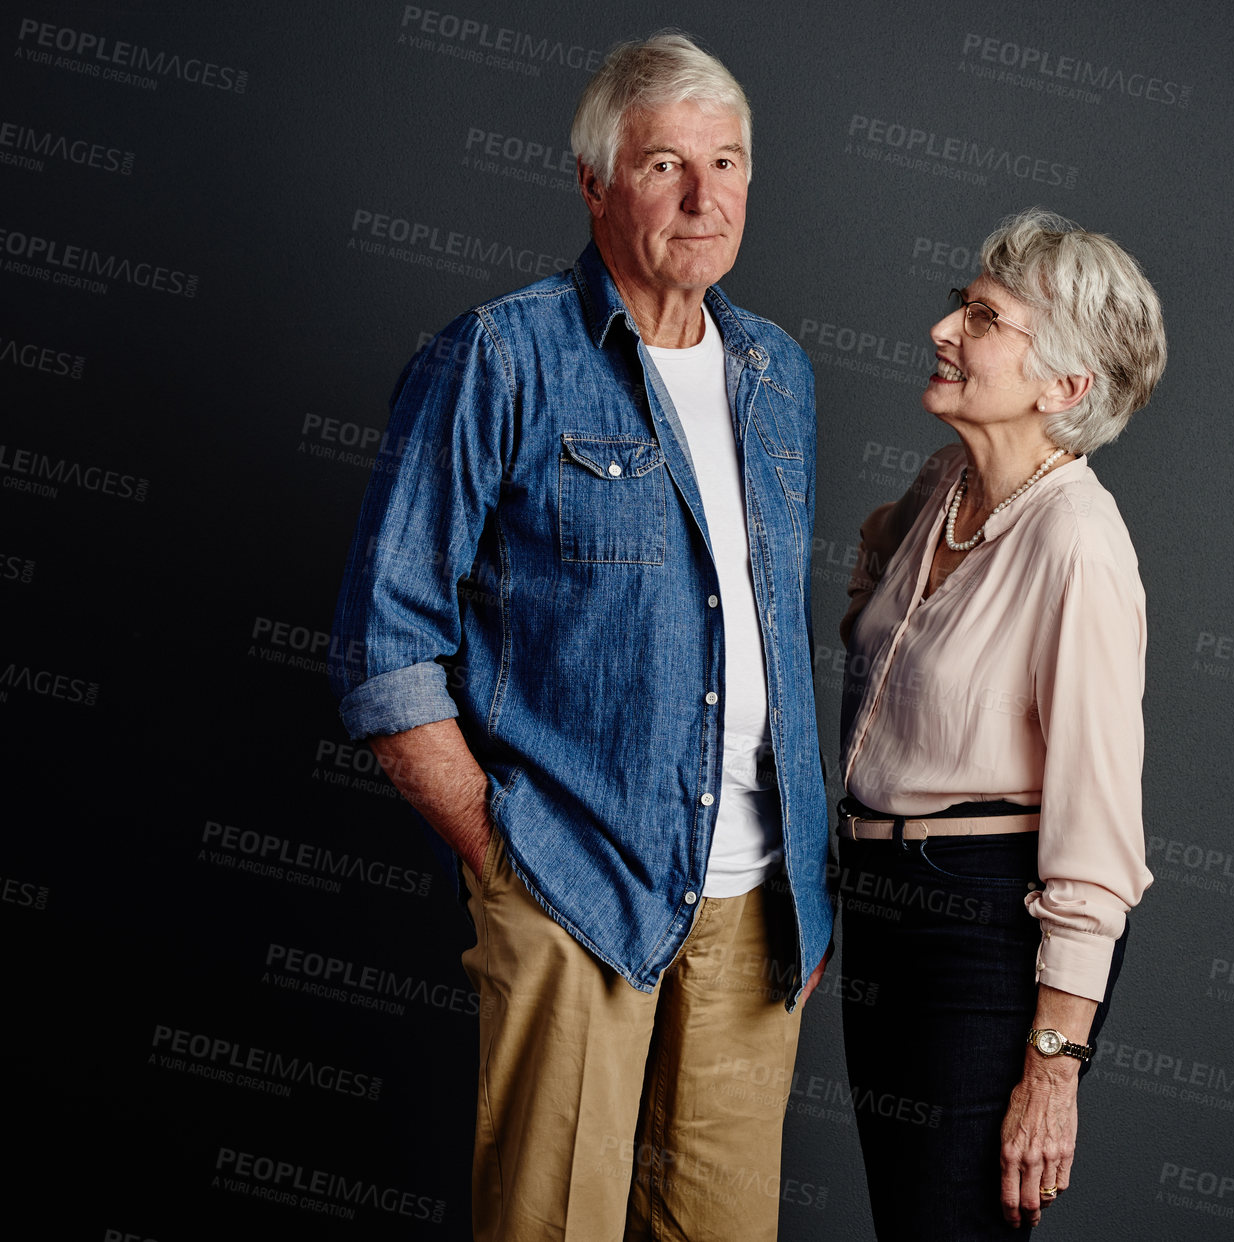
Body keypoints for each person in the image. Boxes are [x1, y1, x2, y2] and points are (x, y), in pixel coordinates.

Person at [329, 33, 831, 1242]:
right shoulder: (498, 357)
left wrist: (809, 874)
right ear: (595, 183)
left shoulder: (781, 375)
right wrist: (508, 862)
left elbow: (772, 637)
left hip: (760, 907)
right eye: (666, 164)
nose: (704, 197)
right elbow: (384, 648)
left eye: (728, 161)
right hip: (574, 886)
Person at [837, 207, 1165, 1238]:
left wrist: (1053, 1069)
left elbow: (1100, 839)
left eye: (982, 318)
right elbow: (882, 642)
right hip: (881, 901)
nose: (946, 331)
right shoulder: (946, 485)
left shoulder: (1079, 541)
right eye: (960, 306)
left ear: (1065, 387)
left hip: (979, 930)